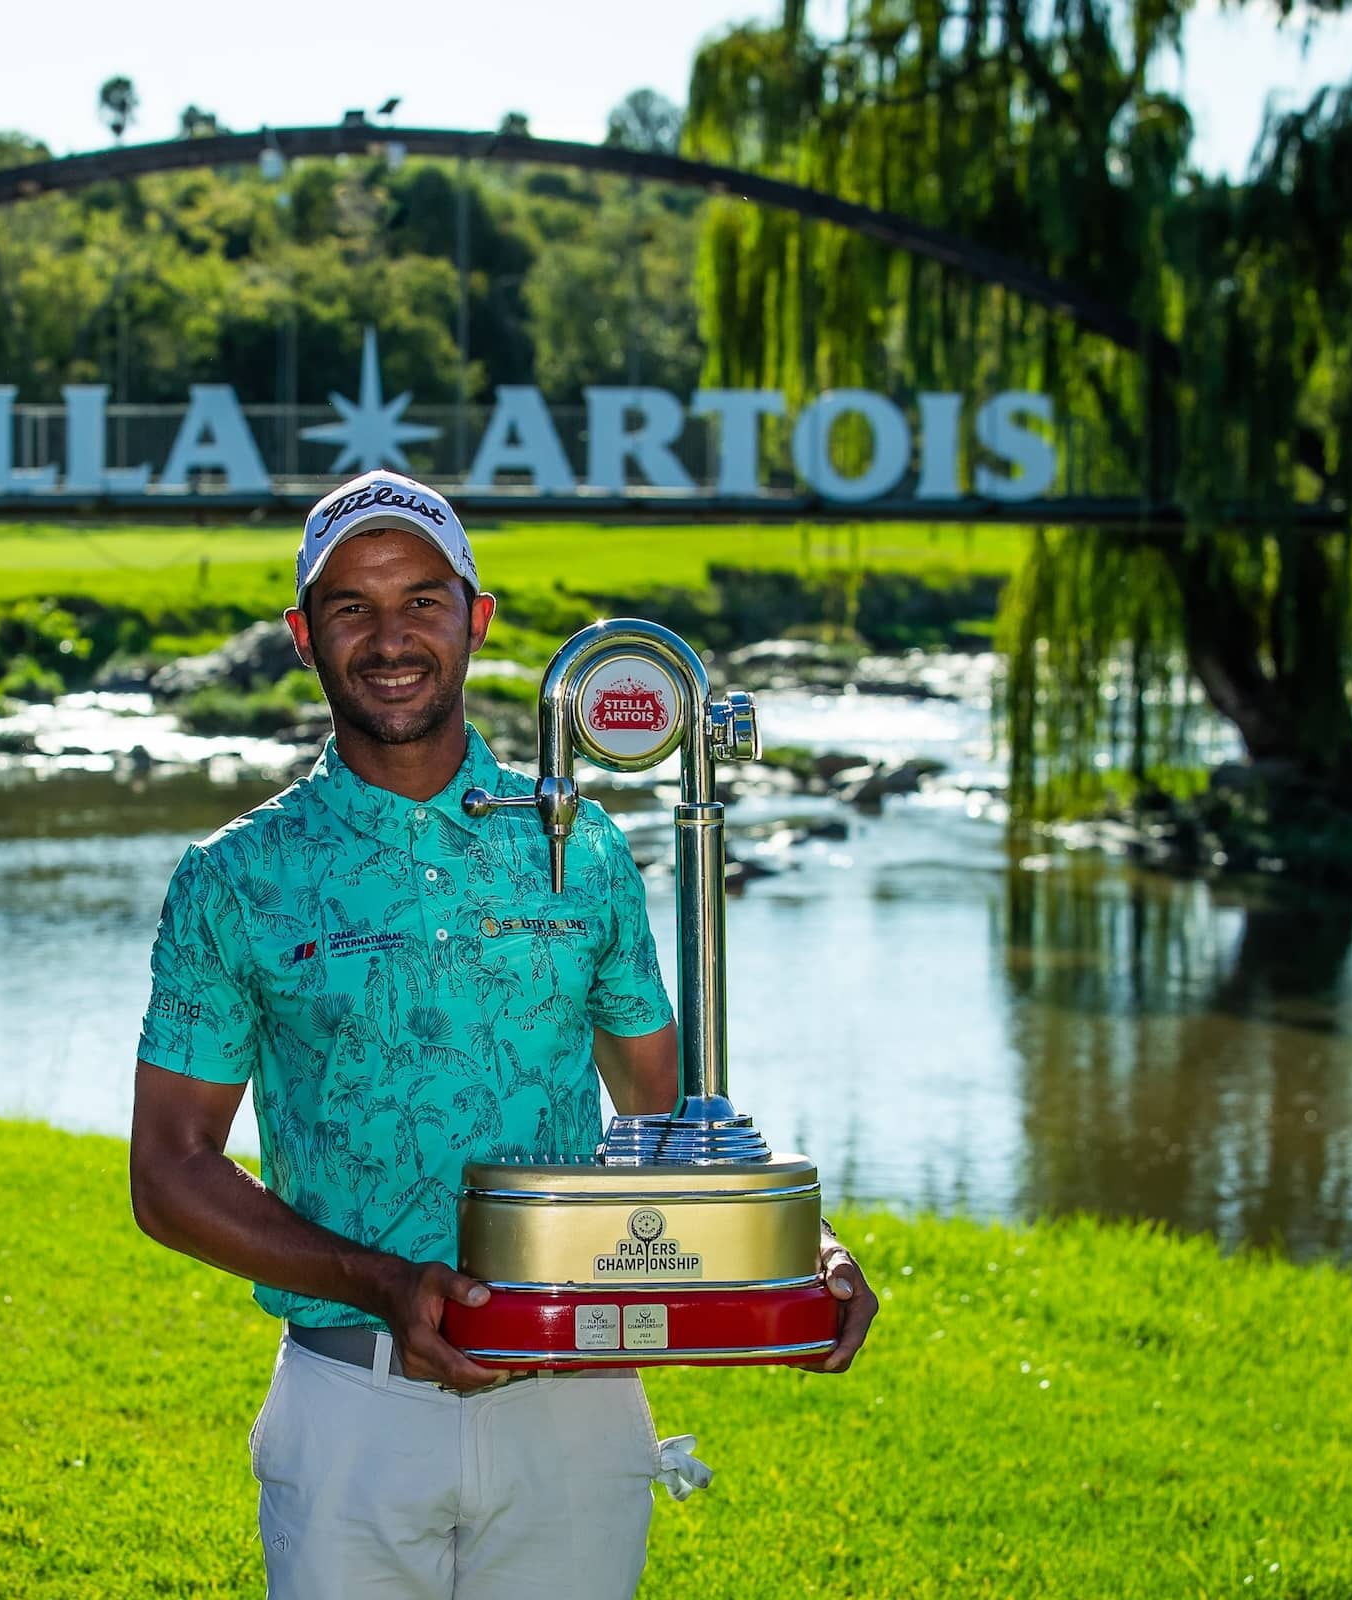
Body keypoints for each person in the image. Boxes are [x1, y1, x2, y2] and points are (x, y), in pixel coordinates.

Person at [128, 468, 877, 1599]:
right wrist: (380, 1281)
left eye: (422, 601)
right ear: (301, 635)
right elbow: (169, 1173)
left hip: (577, 1402)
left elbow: (668, 1121)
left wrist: (790, 1249)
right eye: (351, 608)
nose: (390, 638)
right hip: (349, 1414)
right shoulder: (235, 877)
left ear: (476, 617)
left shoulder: (585, 849)